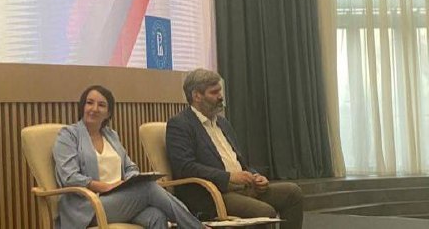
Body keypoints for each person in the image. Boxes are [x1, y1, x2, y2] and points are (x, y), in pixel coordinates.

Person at [166, 69, 303, 228]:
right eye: (214, 92)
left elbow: (239, 162)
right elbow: (185, 168)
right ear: (197, 96)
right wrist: (228, 177)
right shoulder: (180, 125)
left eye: (220, 91)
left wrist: (255, 176)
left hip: (243, 188)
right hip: (213, 194)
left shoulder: (223, 123)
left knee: (292, 193)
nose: (220, 96)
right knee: (264, 211)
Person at [53, 85, 203, 229]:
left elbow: (129, 167)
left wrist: (131, 180)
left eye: (101, 105)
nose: (94, 109)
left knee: (156, 216)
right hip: (88, 206)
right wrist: (106, 186)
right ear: (82, 106)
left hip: (119, 199)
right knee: (149, 189)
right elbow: (69, 177)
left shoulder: (111, 135)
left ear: (108, 113)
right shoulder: (68, 135)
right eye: (89, 103)